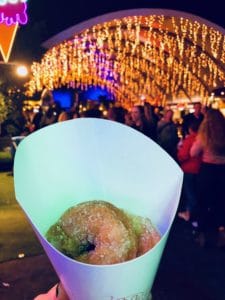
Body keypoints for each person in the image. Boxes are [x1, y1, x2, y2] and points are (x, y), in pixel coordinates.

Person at [190, 109, 225, 247]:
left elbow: (193, 153)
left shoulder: (205, 135)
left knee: (203, 202)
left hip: (207, 171)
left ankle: (202, 233)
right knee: (221, 202)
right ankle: (222, 230)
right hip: (223, 171)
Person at [177, 120, 201, 222]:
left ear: (190, 130)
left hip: (188, 169)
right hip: (200, 170)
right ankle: (194, 214)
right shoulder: (204, 139)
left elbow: (183, 155)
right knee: (195, 192)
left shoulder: (190, 139)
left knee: (190, 193)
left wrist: (178, 153)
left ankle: (189, 214)